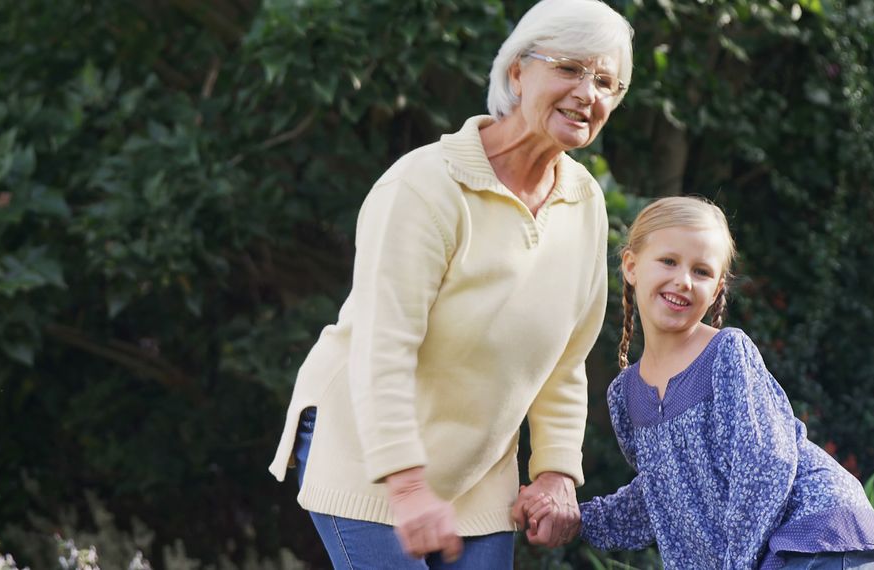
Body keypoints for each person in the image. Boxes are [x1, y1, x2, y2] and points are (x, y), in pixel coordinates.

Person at [266, 0, 634, 567]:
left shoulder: (584, 203)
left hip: (479, 471)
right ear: (517, 72)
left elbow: (566, 360)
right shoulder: (424, 187)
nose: (589, 93)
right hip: (368, 449)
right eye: (569, 68)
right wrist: (407, 486)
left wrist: (556, 470)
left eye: (607, 80)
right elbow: (382, 348)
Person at [523, 197, 874, 568]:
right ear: (631, 266)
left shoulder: (726, 354)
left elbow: (765, 465)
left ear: (716, 289)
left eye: (701, 271)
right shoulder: (625, 396)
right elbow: (662, 497)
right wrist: (576, 519)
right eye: (668, 261)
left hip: (814, 528)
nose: (683, 280)